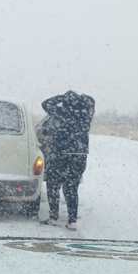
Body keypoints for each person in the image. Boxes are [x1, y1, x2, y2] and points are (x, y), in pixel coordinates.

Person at [37, 90, 95, 229]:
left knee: (53, 184)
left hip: (60, 152)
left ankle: (54, 217)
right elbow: (91, 102)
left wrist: (62, 97)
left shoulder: (61, 111)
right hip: (79, 154)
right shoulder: (86, 114)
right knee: (71, 187)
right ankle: (72, 220)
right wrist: (81, 99)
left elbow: (45, 103)